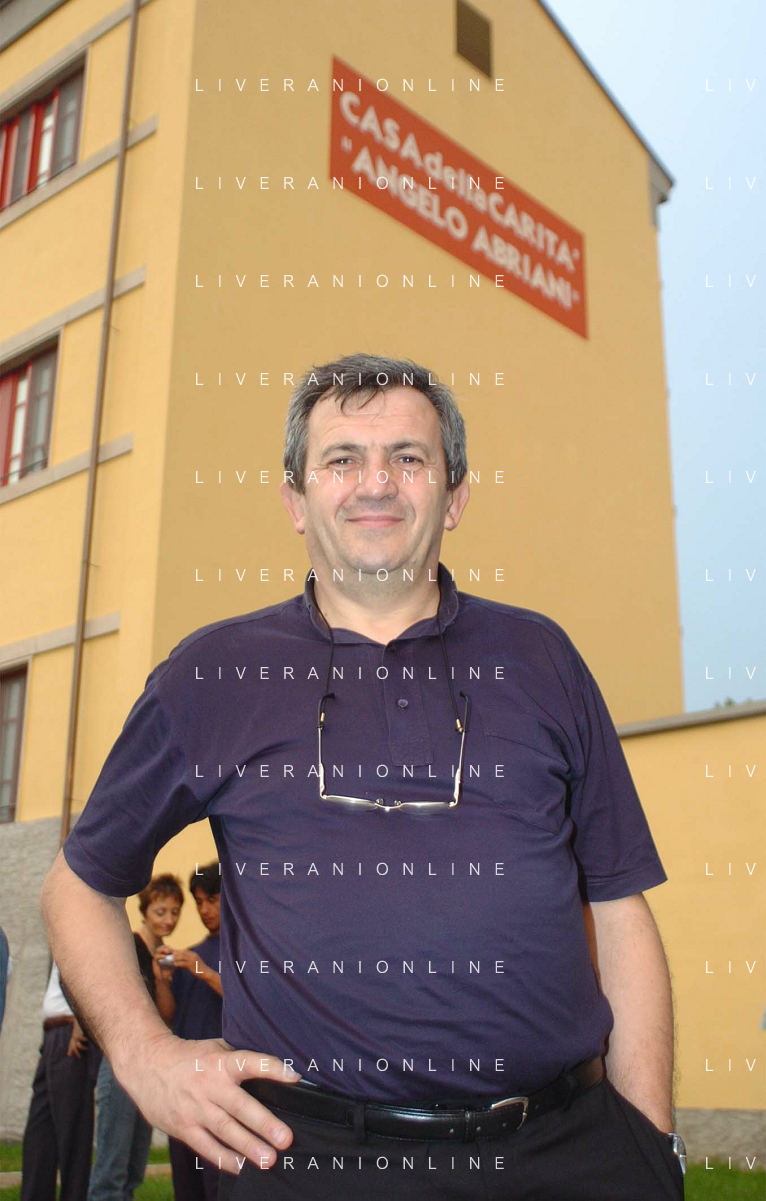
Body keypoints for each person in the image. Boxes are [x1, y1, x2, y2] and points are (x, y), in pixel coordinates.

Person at [40, 353, 686, 1199]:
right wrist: (144, 1054)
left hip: (563, 1152)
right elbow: (76, 886)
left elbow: (620, 905)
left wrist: (649, 1144)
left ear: (454, 497)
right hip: (310, 1160)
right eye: (342, 459)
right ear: (295, 501)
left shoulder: (543, 659)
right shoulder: (213, 675)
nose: (375, 482)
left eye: (408, 458)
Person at [86, 873, 183, 1201]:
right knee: (111, 1171)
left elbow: (166, 1015)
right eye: (160, 911)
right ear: (144, 910)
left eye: (174, 912)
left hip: (149, 1063)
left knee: (133, 1170)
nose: (168, 919)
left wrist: (162, 979)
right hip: (122, 1060)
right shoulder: (126, 944)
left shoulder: (164, 955)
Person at [156, 861, 223, 1201]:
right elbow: (169, 1014)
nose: (204, 910)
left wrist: (204, 972)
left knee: (217, 1178)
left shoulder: (246, 951)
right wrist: (161, 978)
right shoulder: (191, 955)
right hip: (184, 1078)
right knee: (186, 1177)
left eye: (211, 900)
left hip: (222, 1081)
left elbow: (249, 1004)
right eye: (198, 902)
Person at [20, 958, 102, 1200]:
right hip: (53, 1035)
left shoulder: (88, 931)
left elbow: (94, 965)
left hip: (71, 1033)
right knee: (38, 1135)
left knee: (73, 1139)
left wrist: (81, 1018)